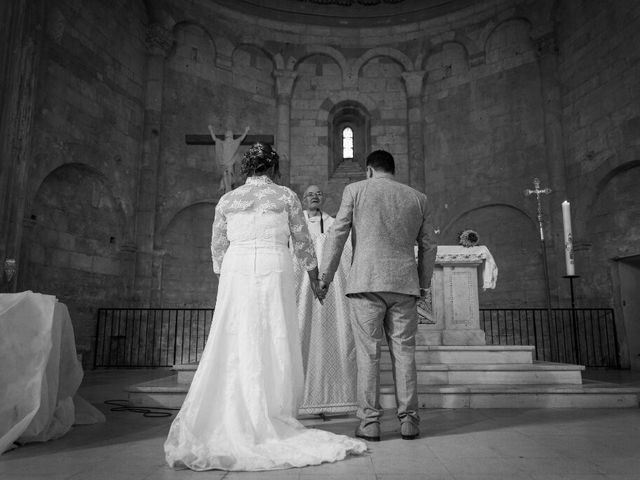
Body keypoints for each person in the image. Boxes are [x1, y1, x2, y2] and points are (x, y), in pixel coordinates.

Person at [164, 143, 366, 471]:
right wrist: (315, 279)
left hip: (237, 268)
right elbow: (302, 242)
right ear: (273, 167)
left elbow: (217, 245)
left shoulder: (228, 199)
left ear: (247, 167)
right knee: (273, 336)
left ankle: (233, 412)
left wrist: (226, 272)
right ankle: (270, 413)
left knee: (234, 336)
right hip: (273, 265)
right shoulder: (285, 196)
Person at [319, 150, 438, 442]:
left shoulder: (355, 190)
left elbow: (338, 233)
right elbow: (429, 246)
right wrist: (422, 284)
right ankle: (409, 421)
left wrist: (325, 276)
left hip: (366, 283)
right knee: (404, 354)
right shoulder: (417, 197)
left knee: (368, 354)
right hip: (404, 285)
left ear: (370, 170)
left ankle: (370, 423)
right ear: (392, 170)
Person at [293, 185, 357, 415]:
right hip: (300, 285)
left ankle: (336, 397)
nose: (314, 197)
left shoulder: (332, 223)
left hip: (330, 289)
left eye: (318, 193)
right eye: (310, 194)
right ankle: (299, 399)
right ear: (303, 199)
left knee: (332, 335)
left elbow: (343, 246)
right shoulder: (295, 223)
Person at [208, 125, 250, 193]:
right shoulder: (223, 143)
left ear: (232, 136)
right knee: (225, 175)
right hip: (224, 163)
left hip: (229, 163)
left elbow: (241, 138)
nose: (228, 135)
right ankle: (225, 188)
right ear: (226, 136)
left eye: (229, 134)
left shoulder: (233, 142)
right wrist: (211, 130)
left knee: (229, 175)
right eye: (227, 134)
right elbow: (214, 139)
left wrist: (246, 131)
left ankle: (228, 189)